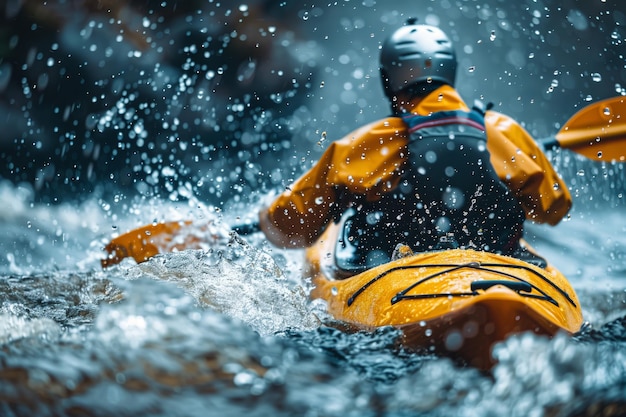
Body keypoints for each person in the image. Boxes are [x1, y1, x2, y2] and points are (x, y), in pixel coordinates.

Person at [258, 19, 571, 275]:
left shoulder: (366, 144)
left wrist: (266, 215)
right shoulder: (504, 131)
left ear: (388, 81)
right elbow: (553, 209)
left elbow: (294, 227)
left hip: (397, 279)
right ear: (450, 73)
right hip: (499, 274)